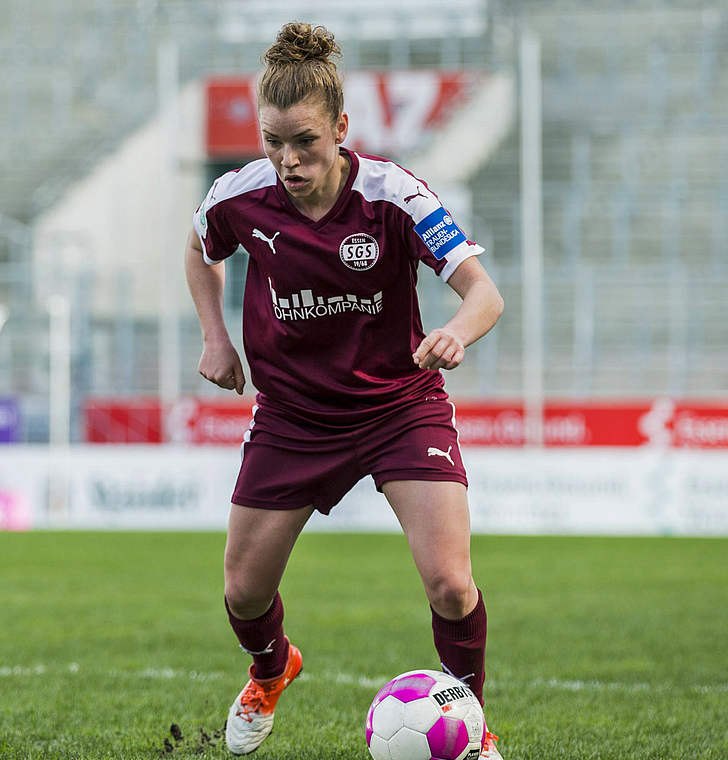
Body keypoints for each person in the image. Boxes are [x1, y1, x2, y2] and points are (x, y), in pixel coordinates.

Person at [184, 22, 506, 759]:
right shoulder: (241, 196)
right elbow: (199, 246)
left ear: (341, 128)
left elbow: (482, 292)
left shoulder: (395, 196)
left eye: (304, 140)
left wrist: (457, 329)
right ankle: (271, 670)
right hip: (293, 417)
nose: (287, 160)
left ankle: (475, 731)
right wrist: (214, 335)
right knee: (242, 595)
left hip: (399, 406)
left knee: (452, 586)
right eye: (271, 141)